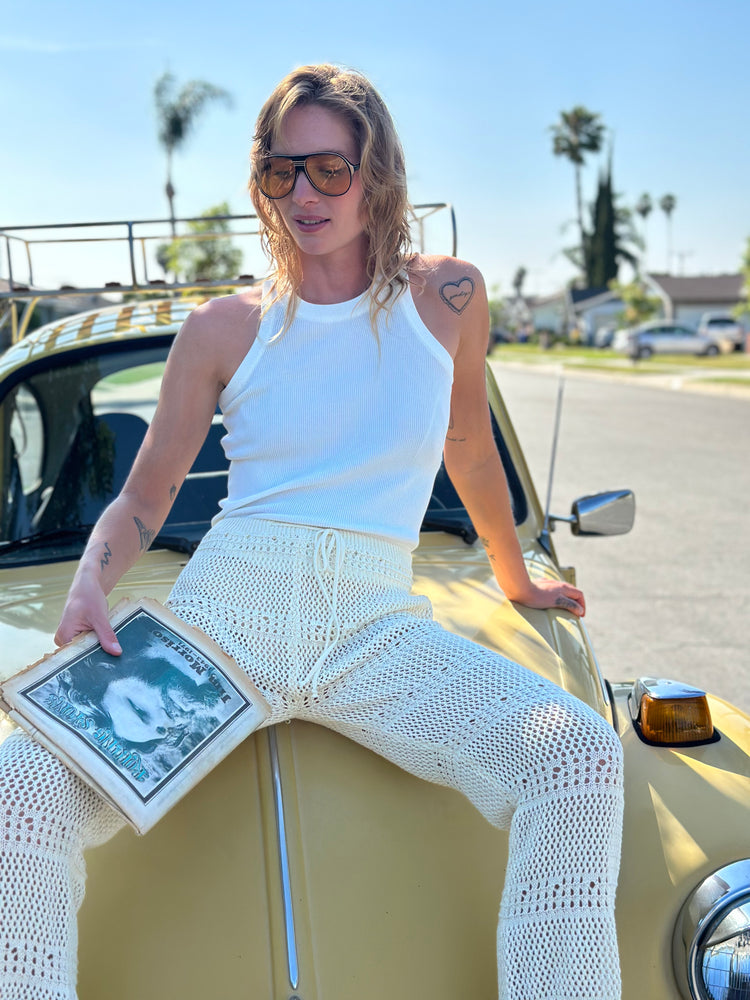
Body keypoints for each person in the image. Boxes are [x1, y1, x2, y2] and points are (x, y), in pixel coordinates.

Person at [0, 64, 624, 1000]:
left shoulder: (447, 298)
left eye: (330, 169)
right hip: (224, 624)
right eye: (280, 172)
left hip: (374, 632)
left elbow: (468, 447)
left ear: (378, 173)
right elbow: (146, 493)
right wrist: (91, 581)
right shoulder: (223, 327)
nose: (304, 193)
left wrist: (515, 576)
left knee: (578, 757)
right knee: (23, 793)